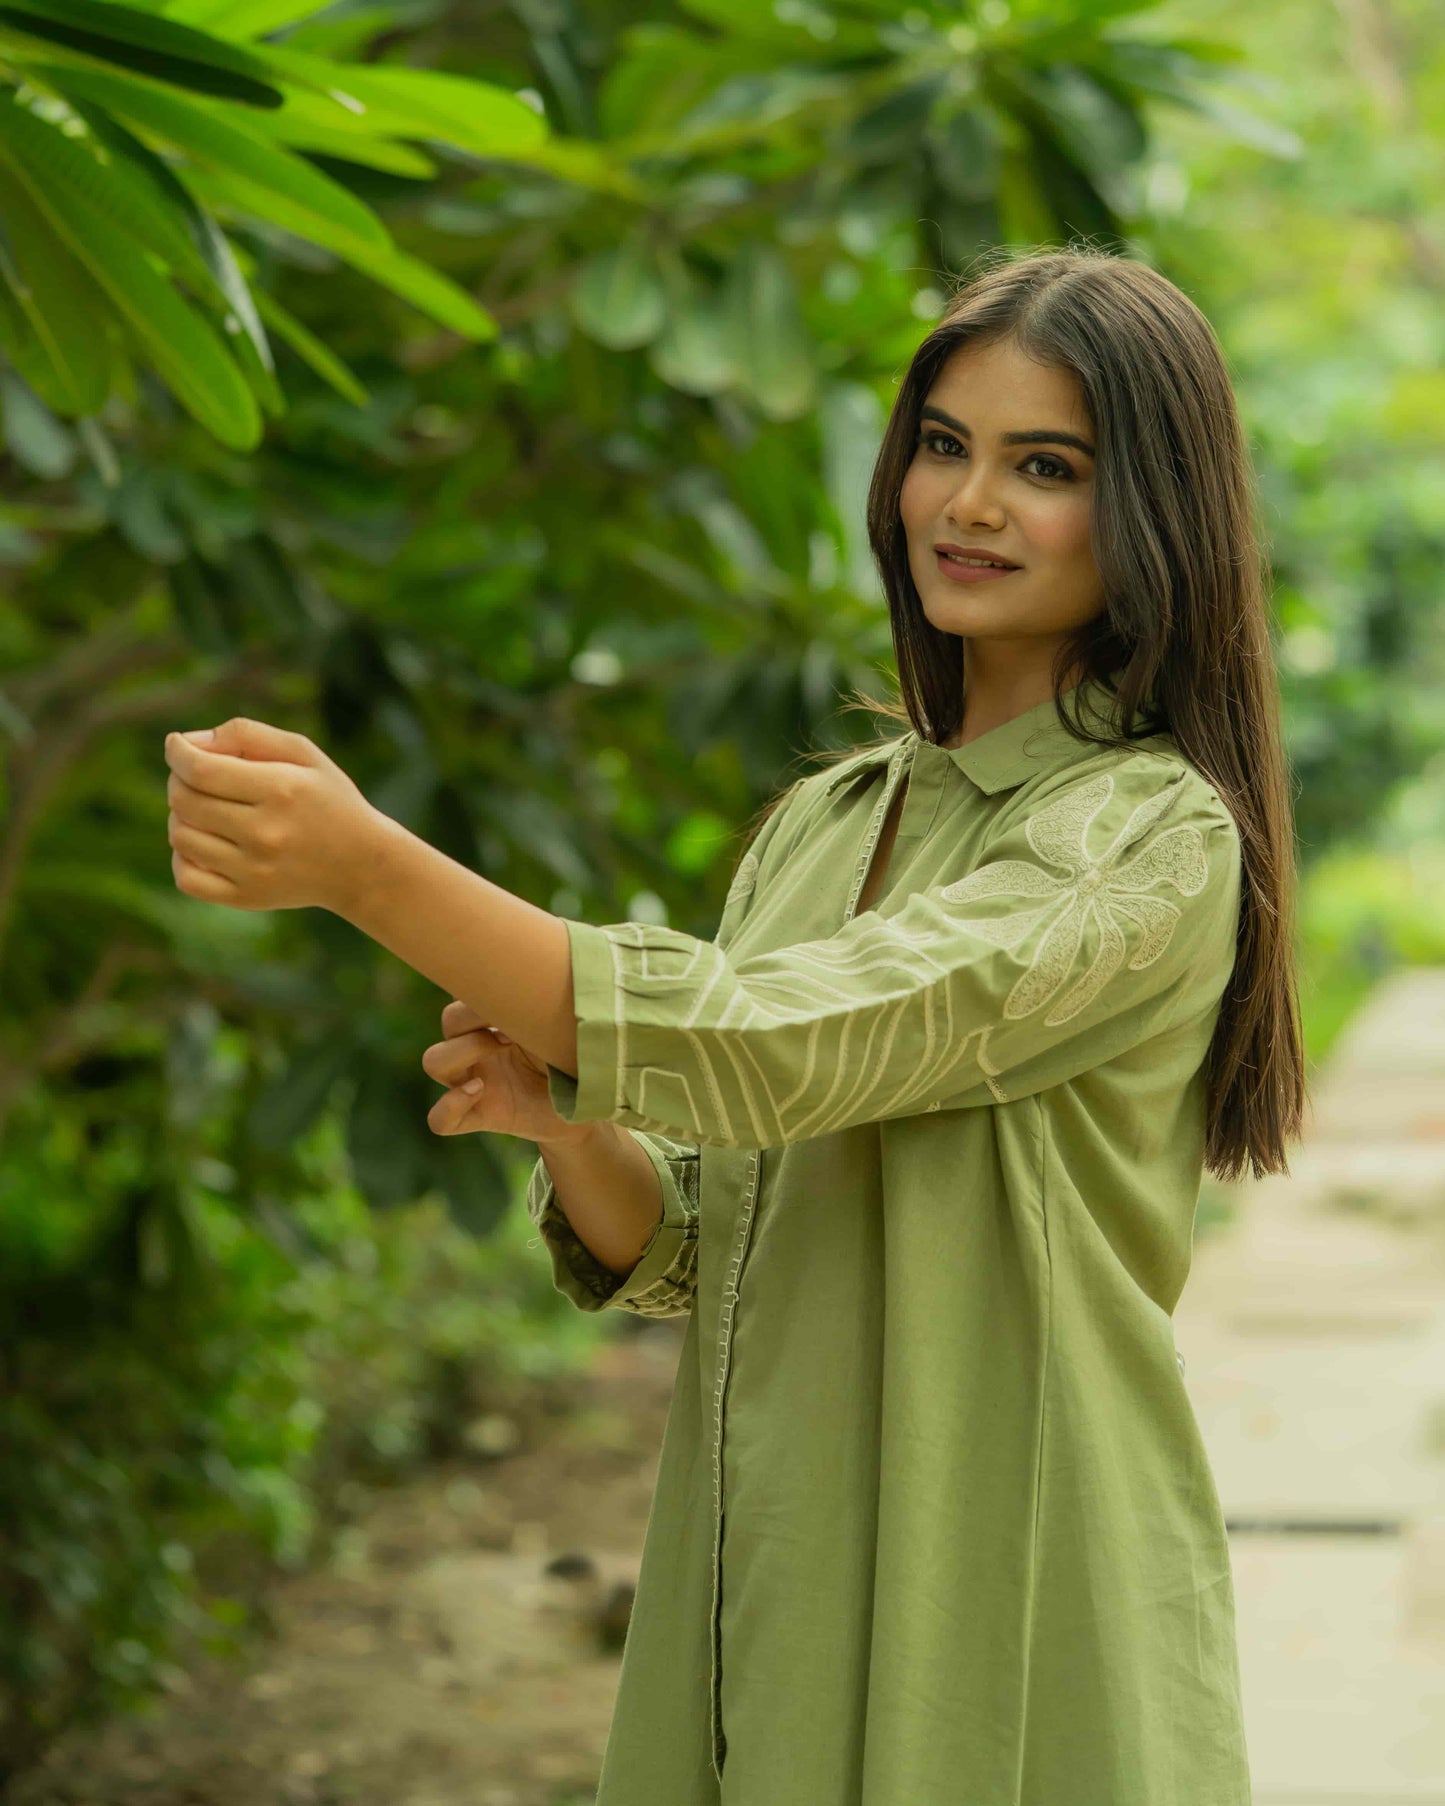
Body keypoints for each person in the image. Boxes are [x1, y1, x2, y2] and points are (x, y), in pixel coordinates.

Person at [166, 242, 1306, 1805]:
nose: (967, 504)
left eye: (1044, 466)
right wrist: (578, 1129)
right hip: (757, 1569)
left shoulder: (1147, 838)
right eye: (941, 445)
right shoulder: (828, 822)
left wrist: (366, 868)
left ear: (1154, 511)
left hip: (1008, 1584)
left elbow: (770, 1045)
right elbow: (716, 1243)